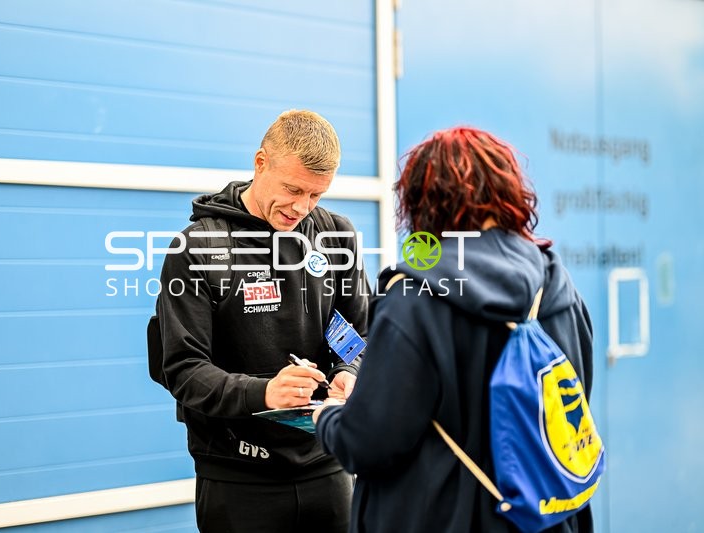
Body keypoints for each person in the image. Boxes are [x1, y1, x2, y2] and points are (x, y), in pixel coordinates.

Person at [313, 126, 595, 533]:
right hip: (545, 517)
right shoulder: (557, 284)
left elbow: (368, 443)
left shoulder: (415, 299)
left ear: (421, 202)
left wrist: (328, 416)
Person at [155, 109, 369, 532]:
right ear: (260, 162)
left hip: (328, 467)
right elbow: (183, 368)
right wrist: (265, 392)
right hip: (237, 477)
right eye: (293, 189)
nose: (301, 207)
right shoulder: (198, 247)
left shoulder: (336, 236)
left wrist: (350, 371)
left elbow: (363, 334)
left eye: (316, 195)